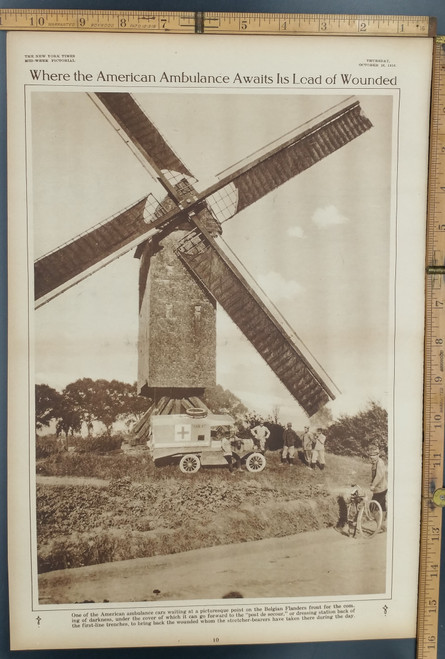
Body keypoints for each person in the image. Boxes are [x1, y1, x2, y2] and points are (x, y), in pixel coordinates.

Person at [368, 445, 387, 529]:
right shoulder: (375, 463)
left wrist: (373, 485)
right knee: (382, 506)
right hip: (379, 489)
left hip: (381, 489)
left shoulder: (380, 462)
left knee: (373, 508)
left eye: (374, 456)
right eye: (370, 456)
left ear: (378, 455)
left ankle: (381, 525)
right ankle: (382, 524)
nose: (372, 458)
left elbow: (379, 475)